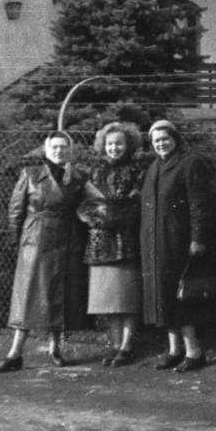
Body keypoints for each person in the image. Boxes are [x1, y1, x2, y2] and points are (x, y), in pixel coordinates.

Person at [0, 131, 88, 372]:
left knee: (59, 293)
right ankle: (15, 353)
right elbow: (16, 209)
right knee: (28, 296)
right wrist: (17, 240)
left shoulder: (77, 178)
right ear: (46, 150)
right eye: (54, 147)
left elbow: (92, 203)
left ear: (70, 151)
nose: (59, 151)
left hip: (66, 240)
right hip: (35, 240)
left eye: (63, 147)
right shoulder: (31, 174)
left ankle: (55, 348)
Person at [140, 119, 216, 372]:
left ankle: (194, 352)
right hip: (154, 241)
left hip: (178, 241)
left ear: (175, 138)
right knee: (162, 297)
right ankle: (174, 350)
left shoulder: (189, 163)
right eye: (156, 141)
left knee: (180, 297)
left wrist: (198, 238)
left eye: (165, 139)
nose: (161, 144)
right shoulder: (154, 167)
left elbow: (199, 204)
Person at [79, 121, 146, 367]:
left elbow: (135, 204)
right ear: (103, 146)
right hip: (100, 244)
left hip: (126, 243)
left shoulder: (138, 170)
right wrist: (100, 213)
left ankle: (127, 347)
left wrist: (106, 211)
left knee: (127, 298)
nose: (114, 148)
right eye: (110, 143)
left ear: (128, 145)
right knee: (108, 300)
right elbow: (84, 207)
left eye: (119, 143)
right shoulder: (95, 172)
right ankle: (115, 345)